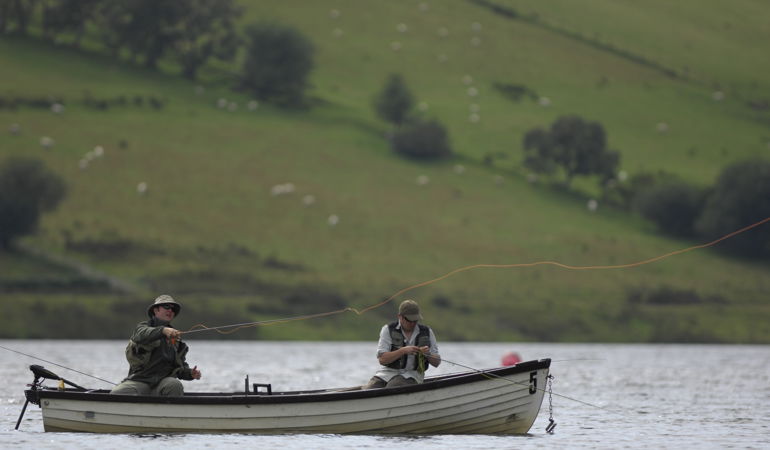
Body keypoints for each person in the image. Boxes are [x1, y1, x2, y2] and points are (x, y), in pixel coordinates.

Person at [110, 295, 201, 396]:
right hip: (140, 381)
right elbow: (140, 334)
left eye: (173, 309)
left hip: (163, 384)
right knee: (116, 393)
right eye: (166, 307)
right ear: (155, 310)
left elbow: (179, 369)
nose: (170, 310)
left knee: (175, 385)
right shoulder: (143, 327)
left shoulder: (177, 340)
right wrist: (163, 330)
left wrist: (190, 373)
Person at [364, 299, 441, 389]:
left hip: (413, 375)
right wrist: (402, 351)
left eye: (415, 320)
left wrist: (428, 354)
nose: (412, 323)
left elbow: (437, 363)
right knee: (369, 389)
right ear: (400, 317)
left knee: (394, 386)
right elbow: (382, 360)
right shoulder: (387, 330)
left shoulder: (427, 332)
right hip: (386, 374)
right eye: (409, 320)